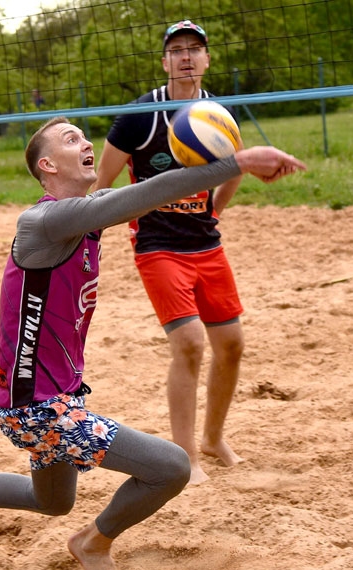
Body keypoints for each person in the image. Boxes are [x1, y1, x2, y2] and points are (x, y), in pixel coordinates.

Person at [0, 116, 306, 570]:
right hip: (36, 408)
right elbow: (140, 196)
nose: (86, 143)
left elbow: (140, 190)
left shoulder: (85, 211)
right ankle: (92, 542)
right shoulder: (45, 220)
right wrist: (234, 162)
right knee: (171, 468)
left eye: (84, 135)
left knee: (51, 501)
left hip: (52, 398)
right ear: (47, 165)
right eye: (71, 138)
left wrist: (220, 168)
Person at [93, 19, 246, 485]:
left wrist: (213, 212)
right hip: (157, 247)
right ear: (164, 61)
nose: (185, 56)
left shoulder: (218, 115)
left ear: (206, 59)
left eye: (194, 49)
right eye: (176, 49)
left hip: (206, 243)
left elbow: (236, 169)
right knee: (190, 344)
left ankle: (213, 439)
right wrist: (121, 220)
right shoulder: (140, 115)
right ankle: (186, 459)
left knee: (232, 345)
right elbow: (103, 184)